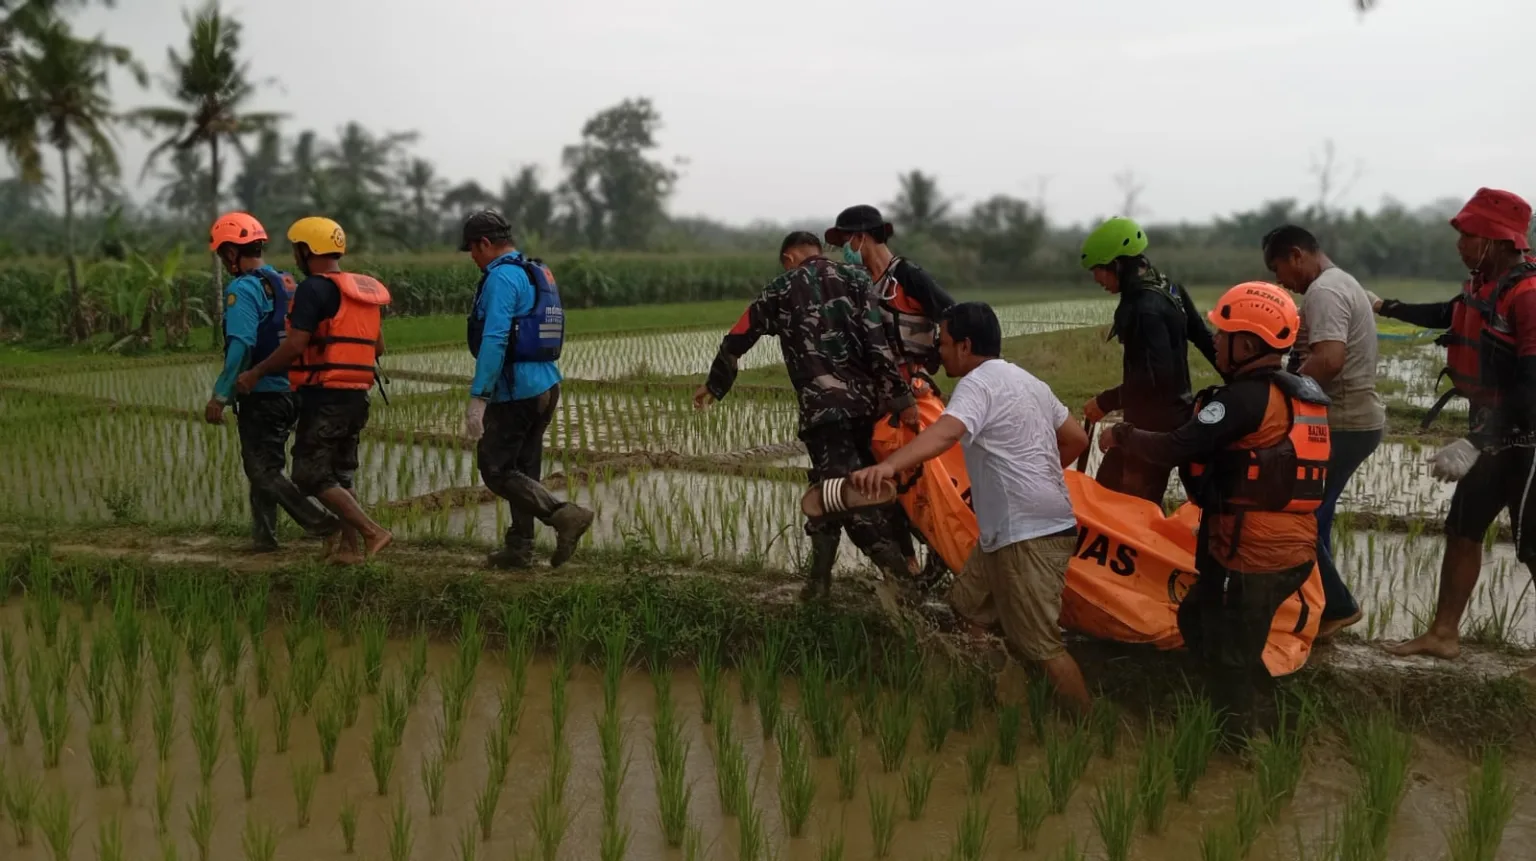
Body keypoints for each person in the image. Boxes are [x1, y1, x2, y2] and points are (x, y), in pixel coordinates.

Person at [1099, 282, 1329, 738]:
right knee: (1198, 618)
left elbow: (1173, 447)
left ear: (1248, 346)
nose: (1215, 341)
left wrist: (1122, 435)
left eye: (1224, 334)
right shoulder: (1296, 394)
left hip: (1256, 554)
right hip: (1290, 548)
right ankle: (1250, 716)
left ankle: (1241, 744)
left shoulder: (1243, 400)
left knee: (1233, 656)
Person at [849, 302, 1093, 713]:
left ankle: (1090, 727)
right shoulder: (1029, 382)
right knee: (967, 608)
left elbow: (946, 433)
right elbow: (1076, 440)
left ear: (965, 346)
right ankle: (1002, 690)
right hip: (1011, 531)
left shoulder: (977, 383)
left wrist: (889, 466)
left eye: (943, 343)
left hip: (1028, 534)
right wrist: (1034, 474)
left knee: (1041, 645)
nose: (939, 351)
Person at [694, 231, 919, 601]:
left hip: (824, 414)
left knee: (848, 498)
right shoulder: (857, 278)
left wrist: (715, 386)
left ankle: (904, 588)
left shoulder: (780, 288)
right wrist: (901, 399)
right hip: (867, 409)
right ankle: (818, 585)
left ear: (789, 258)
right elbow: (879, 345)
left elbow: (737, 338)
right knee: (832, 490)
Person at [1372, 188, 1536, 660]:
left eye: (1468, 235)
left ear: (1497, 240)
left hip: (1528, 441)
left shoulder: (1528, 296)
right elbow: (1449, 314)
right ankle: (1443, 634)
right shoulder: (1483, 285)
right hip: (1492, 433)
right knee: (1463, 529)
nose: (1460, 244)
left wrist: (1474, 442)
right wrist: (1384, 306)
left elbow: (1532, 390)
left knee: (1534, 548)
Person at [237, 216, 392, 565]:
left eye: (297, 249)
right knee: (339, 473)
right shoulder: (360, 289)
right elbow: (378, 347)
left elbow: (295, 345)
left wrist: (256, 372)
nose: (295, 255)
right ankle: (349, 549)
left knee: (308, 474)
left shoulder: (313, 289)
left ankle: (372, 532)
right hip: (357, 396)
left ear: (307, 250)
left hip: (325, 396)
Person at [827, 204, 957, 586]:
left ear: (861, 238)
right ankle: (909, 566)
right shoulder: (858, 283)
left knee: (925, 482)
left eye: (846, 241)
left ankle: (943, 557)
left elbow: (953, 314)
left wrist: (935, 357)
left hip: (913, 398)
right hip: (876, 399)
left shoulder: (907, 276)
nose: (844, 250)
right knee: (886, 488)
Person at [1262, 225, 1382, 639]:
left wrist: (1281, 390)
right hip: (1356, 422)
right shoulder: (1342, 281)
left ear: (1296, 255)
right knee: (1317, 514)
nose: (1280, 281)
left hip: (1341, 424)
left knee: (1294, 517)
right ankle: (1315, 602)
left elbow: (1329, 360)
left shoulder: (1324, 291)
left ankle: (1338, 605)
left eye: (1277, 269)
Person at [460, 210, 595, 569]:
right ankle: (519, 547)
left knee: (495, 468)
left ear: (485, 243)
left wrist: (479, 397)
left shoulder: (501, 277)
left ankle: (563, 515)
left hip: (516, 391)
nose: (472, 257)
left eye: (472, 249)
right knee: (522, 470)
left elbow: (495, 338)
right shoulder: (533, 272)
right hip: (546, 386)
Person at [203, 212, 339, 552]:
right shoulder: (285, 281)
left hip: (262, 393)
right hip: (293, 390)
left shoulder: (243, 289)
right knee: (264, 465)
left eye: (223, 253)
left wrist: (220, 395)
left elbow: (241, 345)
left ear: (231, 252)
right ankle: (264, 539)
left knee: (262, 469)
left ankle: (320, 522)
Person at [1079, 217, 1220, 504]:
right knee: (1125, 501)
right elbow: (1206, 340)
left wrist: (1105, 402)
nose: (1096, 279)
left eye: (1098, 270)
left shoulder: (1143, 308)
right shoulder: (1169, 287)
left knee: (1119, 507)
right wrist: (1241, 377)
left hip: (1149, 429)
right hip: (1177, 415)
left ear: (1117, 264)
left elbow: (1155, 379)